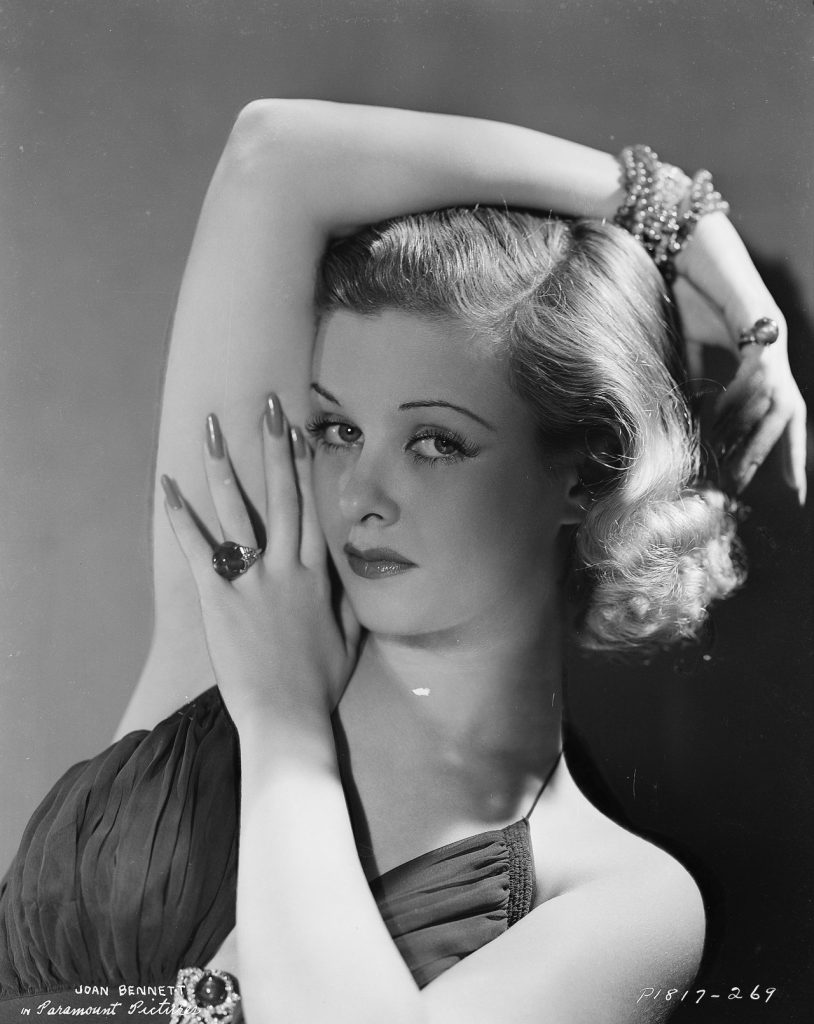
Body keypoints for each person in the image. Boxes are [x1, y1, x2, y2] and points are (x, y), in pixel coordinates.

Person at [0, 101, 806, 1024]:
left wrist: (285, 730)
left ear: (588, 477)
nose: (356, 496)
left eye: (435, 442)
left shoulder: (629, 906)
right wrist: (672, 213)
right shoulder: (240, 616)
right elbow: (274, 153)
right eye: (338, 430)